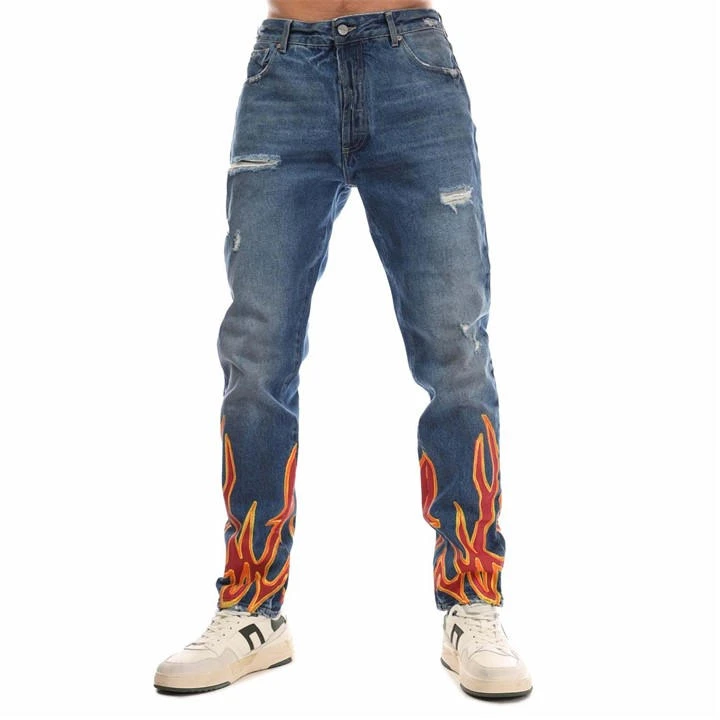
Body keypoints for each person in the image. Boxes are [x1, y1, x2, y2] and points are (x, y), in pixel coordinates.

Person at [154, 0, 533, 700]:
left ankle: (474, 603)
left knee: (455, 352)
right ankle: (251, 609)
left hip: (413, 67)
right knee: (257, 357)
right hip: (285, 73)